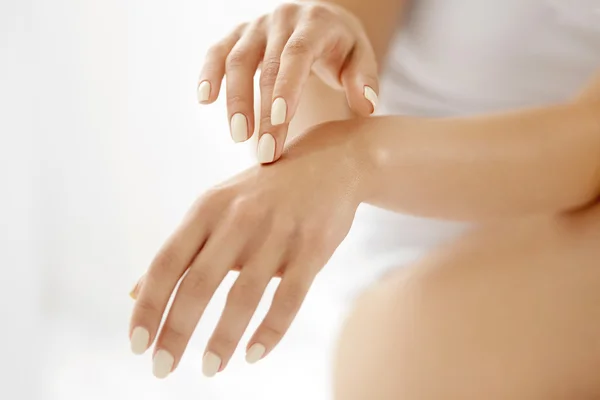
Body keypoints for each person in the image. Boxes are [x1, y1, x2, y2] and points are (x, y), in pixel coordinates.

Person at [128, 0, 600, 397]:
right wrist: (305, 58)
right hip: (411, 301)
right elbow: (319, 115)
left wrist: (359, 159)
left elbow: (588, 145)